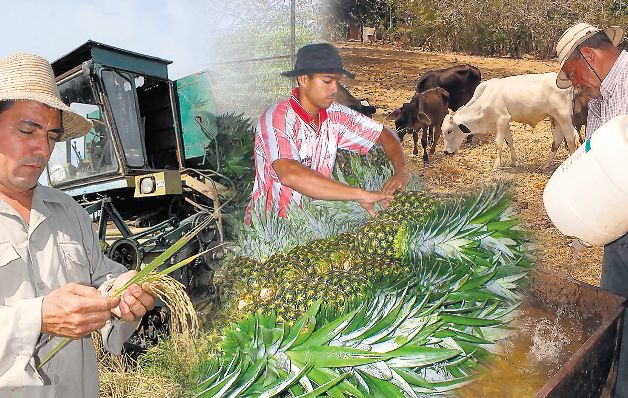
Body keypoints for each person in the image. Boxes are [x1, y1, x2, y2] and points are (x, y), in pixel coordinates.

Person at [0, 53, 156, 397]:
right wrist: (37, 318)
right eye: (27, 129)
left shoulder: (69, 212)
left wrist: (125, 295)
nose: (42, 148)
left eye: (52, 136)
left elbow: (104, 282)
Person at [245, 43, 409, 223]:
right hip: (272, 226)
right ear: (303, 79)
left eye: (337, 82)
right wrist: (359, 194)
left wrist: (401, 171)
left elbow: (384, 134)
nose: (335, 89)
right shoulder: (277, 118)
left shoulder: (335, 115)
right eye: (327, 81)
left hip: (313, 221)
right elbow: (289, 173)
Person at [556, 22, 628, 397]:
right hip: (617, 228)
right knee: (613, 312)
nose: (575, 84)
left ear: (589, 55)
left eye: (573, 75)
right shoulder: (600, 98)